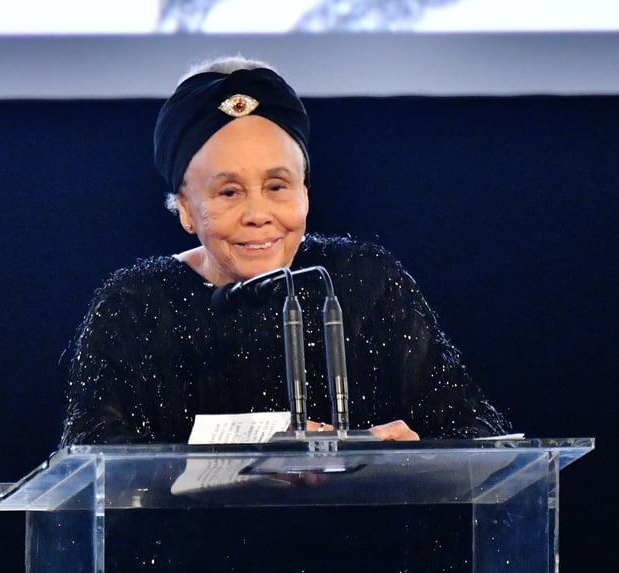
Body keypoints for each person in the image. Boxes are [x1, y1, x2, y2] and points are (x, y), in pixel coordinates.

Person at [59, 56, 511, 447]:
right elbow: (90, 460)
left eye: (277, 186)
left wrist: (415, 450)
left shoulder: (365, 283)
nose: (258, 214)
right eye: (229, 192)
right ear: (185, 209)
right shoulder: (135, 308)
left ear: (306, 193)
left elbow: (479, 431)